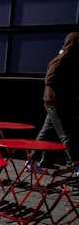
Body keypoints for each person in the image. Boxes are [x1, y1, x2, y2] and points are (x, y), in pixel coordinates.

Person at [31, 31, 79, 175]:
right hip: (55, 102)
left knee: (46, 132)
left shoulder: (71, 59)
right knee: (67, 134)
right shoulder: (61, 59)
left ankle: (32, 159)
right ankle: (76, 165)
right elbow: (49, 80)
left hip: (60, 102)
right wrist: (69, 87)